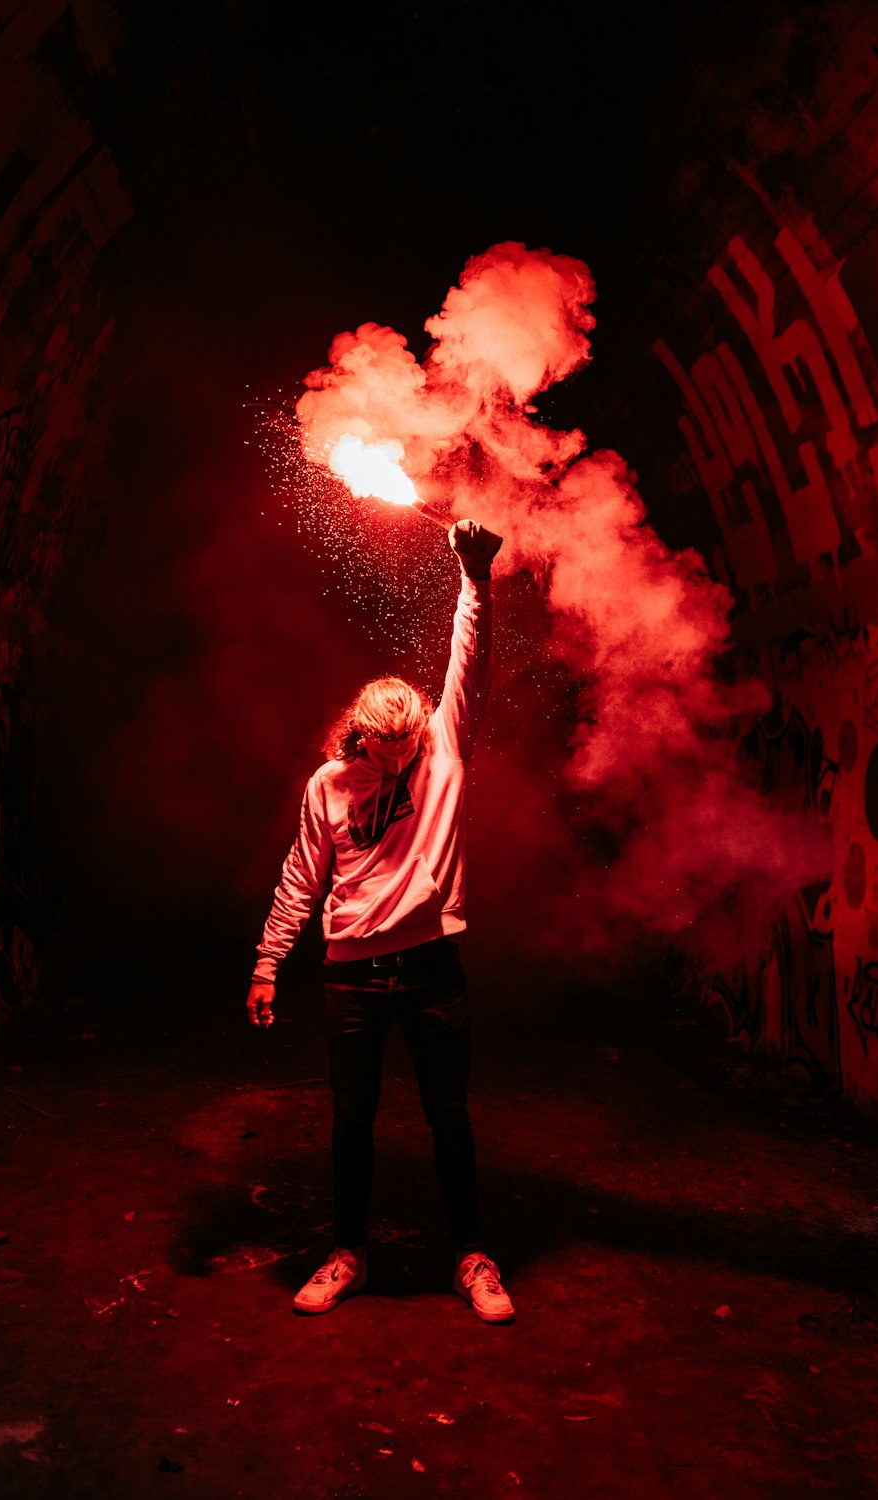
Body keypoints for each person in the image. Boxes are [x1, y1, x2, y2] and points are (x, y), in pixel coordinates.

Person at [246, 518, 514, 1324]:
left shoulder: (445, 751)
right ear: (363, 731)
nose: (401, 757)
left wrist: (475, 578)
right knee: (351, 1124)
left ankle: (473, 1257)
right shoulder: (330, 783)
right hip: (350, 977)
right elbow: (303, 874)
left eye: (410, 741)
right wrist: (268, 960)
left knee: (449, 1119)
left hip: (433, 970)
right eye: (386, 744)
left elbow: (470, 664)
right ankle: (347, 1255)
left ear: (423, 725)